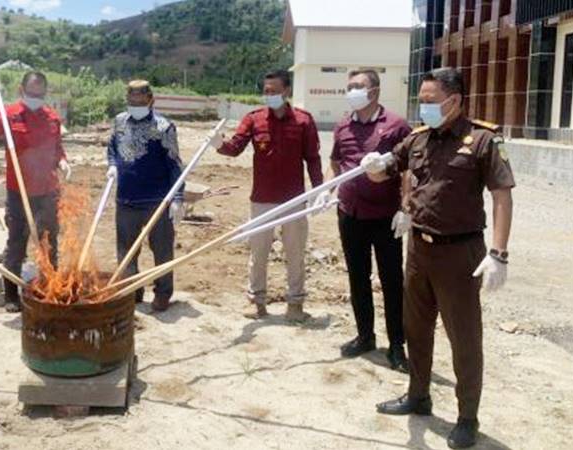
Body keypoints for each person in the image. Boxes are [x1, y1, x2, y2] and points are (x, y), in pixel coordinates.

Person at [362, 67, 514, 449]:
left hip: (460, 254)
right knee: (416, 329)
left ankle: (467, 417)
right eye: (421, 101)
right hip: (420, 250)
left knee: (464, 338)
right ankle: (418, 395)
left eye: (430, 102)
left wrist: (499, 253)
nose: (424, 108)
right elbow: (388, 172)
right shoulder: (417, 140)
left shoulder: (481, 140)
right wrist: (374, 168)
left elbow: (502, 196)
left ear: (455, 100)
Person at [209, 69, 322, 321]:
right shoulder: (254, 119)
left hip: (294, 200)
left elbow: (312, 159)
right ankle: (256, 301)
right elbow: (235, 148)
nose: (268, 95)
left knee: (294, 253)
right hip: (262, 199)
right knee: (258, 252)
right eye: (265, 91)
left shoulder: (303, 121)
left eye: (273, 91)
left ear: (287, 91)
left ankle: (295, 305)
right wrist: (219, 145)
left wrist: (319, 190)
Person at [330, 69, 412, 371]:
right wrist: (329, 190)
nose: (352, 91)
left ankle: (397, 346)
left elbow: (407, 170)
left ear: (374, 92)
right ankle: (365, 336)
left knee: (392, 282)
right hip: (350, 215)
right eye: (349, 87)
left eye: (358, 87)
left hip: (385, 217)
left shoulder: (396, 126)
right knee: (357, 278)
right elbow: (336, 161)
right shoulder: (342, 126)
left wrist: (406, 207)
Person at [0, 71, 71, 313]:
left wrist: (62, 161)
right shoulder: (9, 113)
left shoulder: (52, 117)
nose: (36, 97)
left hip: (48, 190)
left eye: (40, 93)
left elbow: (57, 147)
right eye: (32, 93)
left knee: (48, 242)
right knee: (17, 242)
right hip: (18, 190)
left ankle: (48, 286)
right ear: (22, 91)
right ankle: (11, 294)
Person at [107, 80, 185, 312]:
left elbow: (174, 164)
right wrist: (112, 164)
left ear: (151, 100)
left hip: (157, 200)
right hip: (126, 199)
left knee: (162, 249)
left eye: (140, 101)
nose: (135, 105)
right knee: (126, 251)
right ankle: (132, 290)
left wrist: (177, 198)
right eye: (131, 101)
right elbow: (112, 147)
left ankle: (163, 292)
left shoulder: (164, 127)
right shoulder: (120, 121)